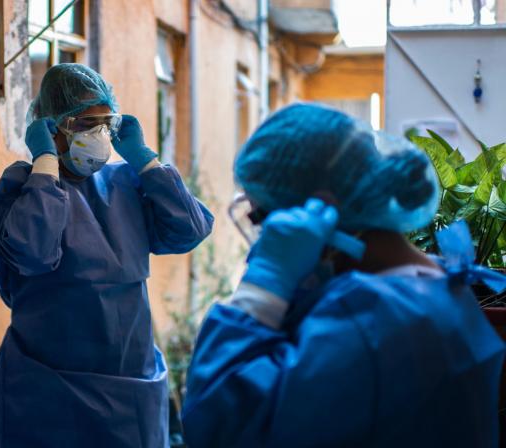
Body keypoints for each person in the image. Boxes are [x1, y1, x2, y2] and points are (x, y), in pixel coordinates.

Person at [182, 103, 506, 447]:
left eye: (264, 217)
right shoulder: (439, 286)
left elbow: (219, 423)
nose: (265, 238)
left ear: (321, 209)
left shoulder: (371, 323)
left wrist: (264, 286)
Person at [0, 63, 214, 447]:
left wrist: (145, 161)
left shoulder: (125, 181)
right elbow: (33, 253)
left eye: (104, 123)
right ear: (50, 128)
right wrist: (44, 166)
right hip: (49, 389)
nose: (97, 135)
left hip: (130, 383)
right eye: (83, 125)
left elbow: (188, 230)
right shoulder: (24, 187)